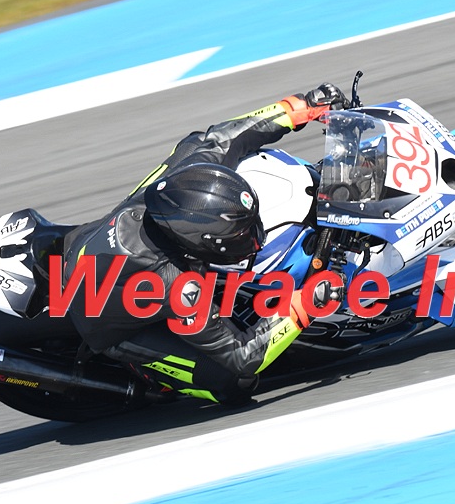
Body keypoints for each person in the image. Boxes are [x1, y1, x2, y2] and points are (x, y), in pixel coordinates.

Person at [60, 83, 350, 406]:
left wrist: (300, 108)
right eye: (241, 236)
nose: (254, 239)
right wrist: (305, 305)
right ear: (204, 244)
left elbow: (230, 135)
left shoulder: (189, 167)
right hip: (103, 322)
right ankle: (148, 377)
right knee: (235, 383)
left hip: (83, 246)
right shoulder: (182, 288)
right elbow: (242, 355)